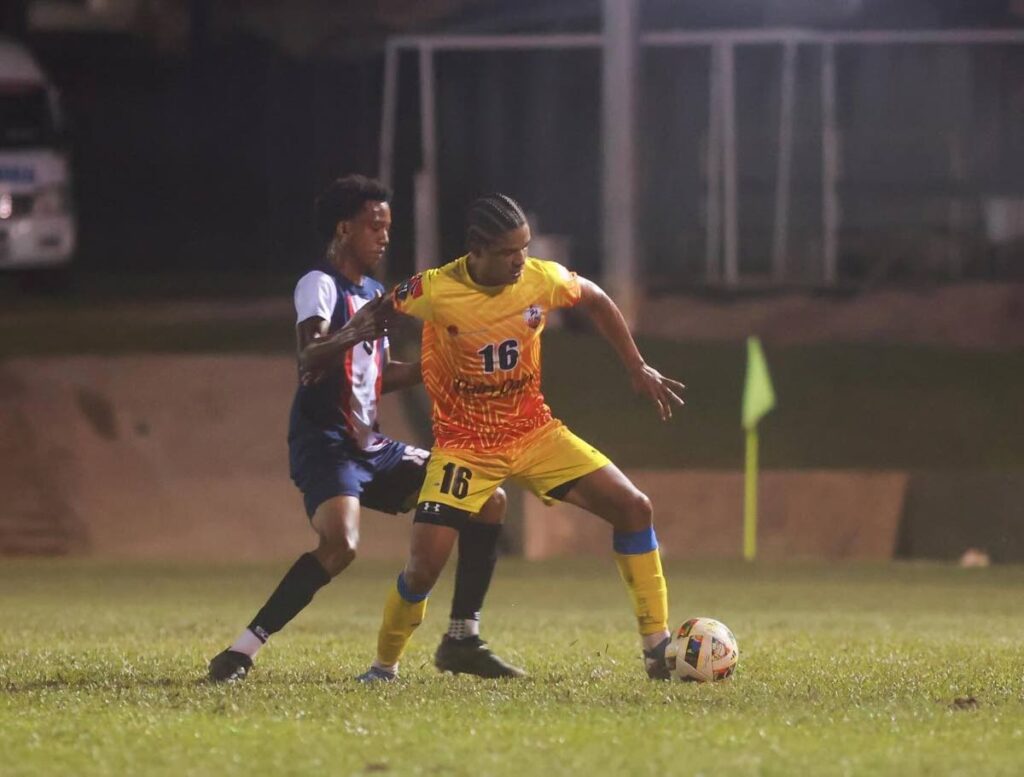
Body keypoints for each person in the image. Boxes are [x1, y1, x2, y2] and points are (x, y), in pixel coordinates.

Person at [357, 193, 685, 683]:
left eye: (526, 248)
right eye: (511, 251)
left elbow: (595, 298)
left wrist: (636, 367)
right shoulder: (435, 289)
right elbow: (375, 313)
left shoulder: (539, 279)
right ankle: (384, 667)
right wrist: (353, 368)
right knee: (424, 567)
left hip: (533, 431)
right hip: (464, 445)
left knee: (634, 507)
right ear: (478, 250)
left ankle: (657, 649)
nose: (521, 261)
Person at [208, 176, 522, 682]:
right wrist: (355, 329)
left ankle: (463, 636)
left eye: (388, 228)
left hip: (372, 446)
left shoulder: (375, 294)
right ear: (343, 228)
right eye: (375, 226)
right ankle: (240, 651)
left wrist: (438, 362)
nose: (384, 237)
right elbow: (309, 356)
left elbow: (373, 377)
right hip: (325, 443)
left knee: (489, 499)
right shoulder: (320, 284)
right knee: (340, 544)